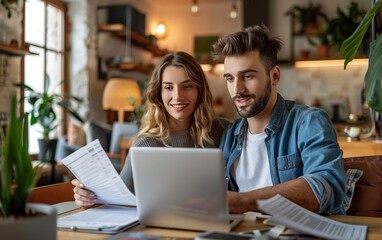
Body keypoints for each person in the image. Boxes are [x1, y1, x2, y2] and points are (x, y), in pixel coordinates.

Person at [211, 24, 345, 215]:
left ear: (274, 76)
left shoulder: (308, 123)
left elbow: (325, 186)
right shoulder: (230, 136)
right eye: (229, 78)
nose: (237, 90)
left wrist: (243, 201)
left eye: (247, 76)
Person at [72, 51, 230, 207]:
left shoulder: (223, 130)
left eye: (187, 86)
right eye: (168, 87)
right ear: (158, 94)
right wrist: (88, 197)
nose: (178, 96)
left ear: (199, 90)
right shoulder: (145, 145)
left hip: (214, 225)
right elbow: (118, 200)